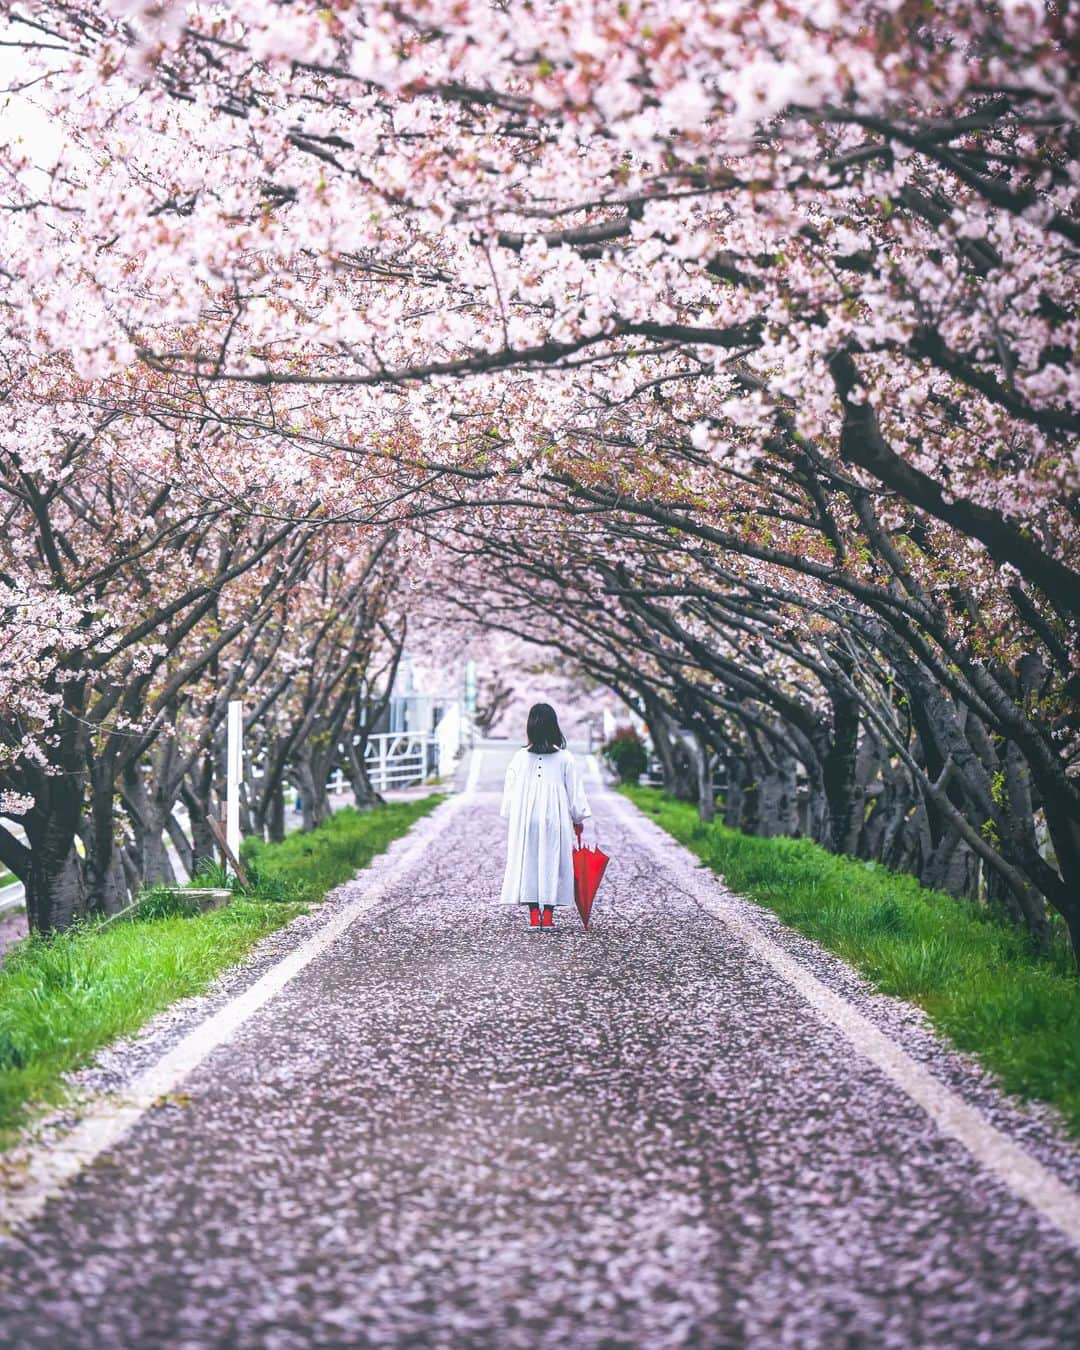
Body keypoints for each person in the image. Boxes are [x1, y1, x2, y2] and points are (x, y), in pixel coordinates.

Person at [499, 702, 591, 929]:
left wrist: (512, 814)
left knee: (528, 861)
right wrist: (578, 819)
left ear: (530, 727)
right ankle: (548, 916)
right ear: (554, 727)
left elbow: (509, 792)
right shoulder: (565, 758)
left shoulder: (520, 758)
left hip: (526, 819)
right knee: (552, 861)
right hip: (555, 819)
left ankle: (533, 916)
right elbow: (575, 792)